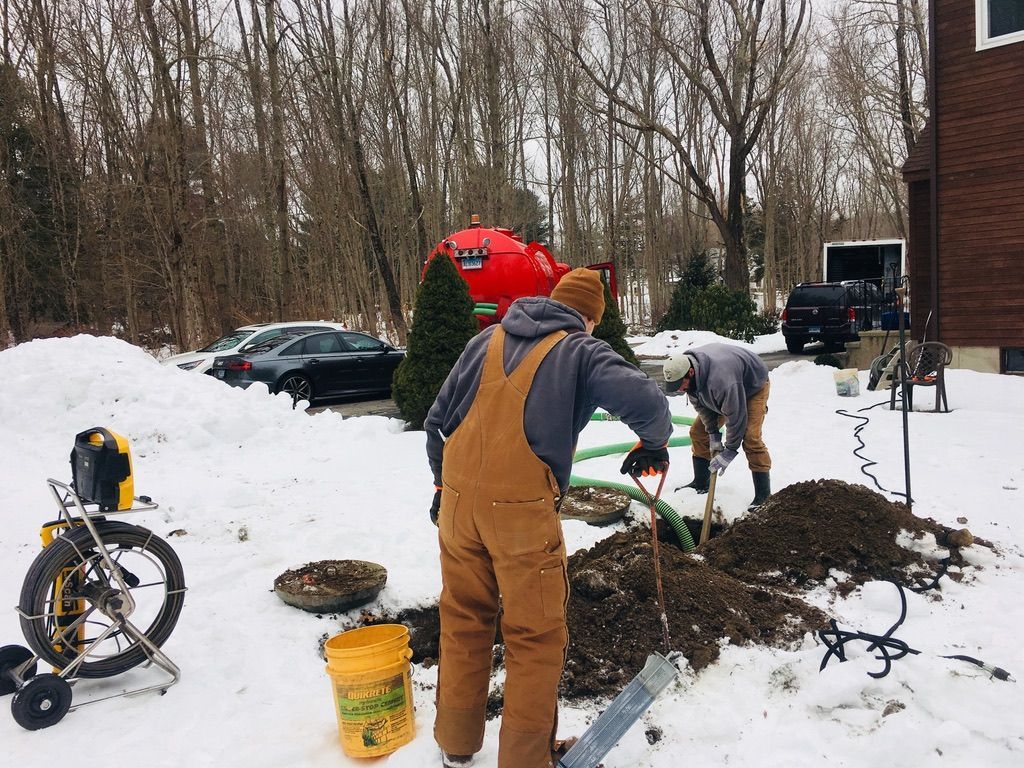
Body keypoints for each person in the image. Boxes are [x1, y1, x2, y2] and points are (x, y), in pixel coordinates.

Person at [425, 268, 672, 768]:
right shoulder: (581, 350)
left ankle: (456, 741)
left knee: (464, 619)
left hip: (455, 503)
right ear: (590, 319)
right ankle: (526, 759)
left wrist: (439, 488)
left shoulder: (486, 340)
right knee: (534, 637)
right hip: (518, 514)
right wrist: (654, 443)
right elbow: (650, 404)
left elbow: (436, 422)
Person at [662, 343, 772, 511]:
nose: (680, 389)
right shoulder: (685, 368)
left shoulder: (722, 381)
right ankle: (700, 482)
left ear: (690, 373)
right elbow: (701, 406)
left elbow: (736, 417)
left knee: (751, 437)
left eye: (680, 384)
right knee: (698, 433)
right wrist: (712, 433)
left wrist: (730, 450)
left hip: (753, 386)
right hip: (726, 386)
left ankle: (764, 496)